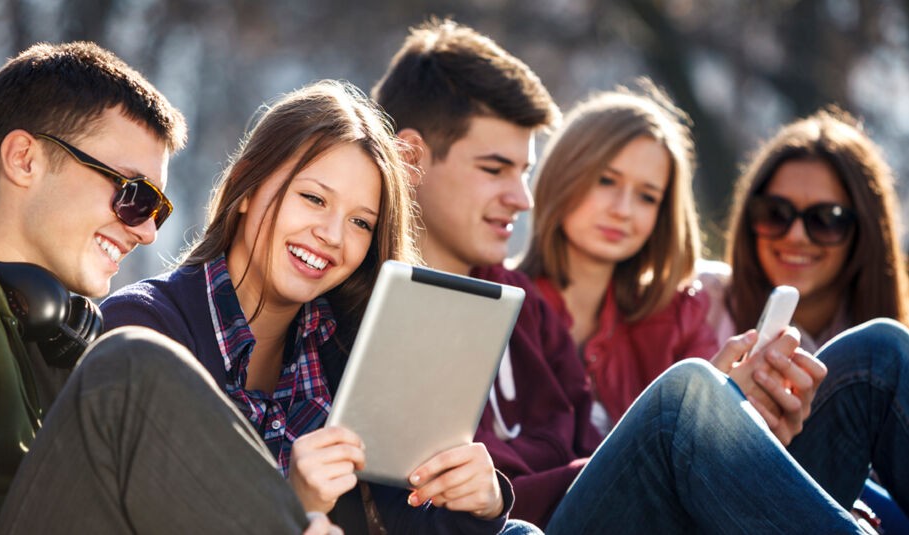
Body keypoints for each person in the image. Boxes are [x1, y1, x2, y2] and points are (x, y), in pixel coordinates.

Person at [372, 17, 885, 533]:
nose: (522, 198)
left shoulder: (525, 306)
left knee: (876, 354)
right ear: (411, 159)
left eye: (524, 173)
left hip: (622, 508)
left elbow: (597, 451)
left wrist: (728, 425)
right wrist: (688, 431)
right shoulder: (382, 311)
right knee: (685, 397)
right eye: (494, 169)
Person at [0, 41, 338, 535]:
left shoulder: (53, 339)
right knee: (130, 365)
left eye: (156, 210)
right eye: (133, 194)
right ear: (24, 159)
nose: (147, 231)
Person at [99, 80, 521, 534]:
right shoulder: (144, 331)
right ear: (245, 186)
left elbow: (405, 521)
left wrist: (481, 502)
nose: (333, 236)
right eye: (314, 199)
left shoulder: (350, 345)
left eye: (361, 222)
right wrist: (294, 506)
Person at [698, 107, 909, 530]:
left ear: (863, 231)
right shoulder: (700, 300)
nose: (795, 235)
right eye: (775, 213)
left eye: (825, 221)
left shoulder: (882, 354)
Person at [516, 81, 718, 434]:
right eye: (607, 181)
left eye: (647, 197)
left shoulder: (681, 317)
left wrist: (731, 405)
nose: (623, 210)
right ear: (565, 174)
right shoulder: (502, 304)